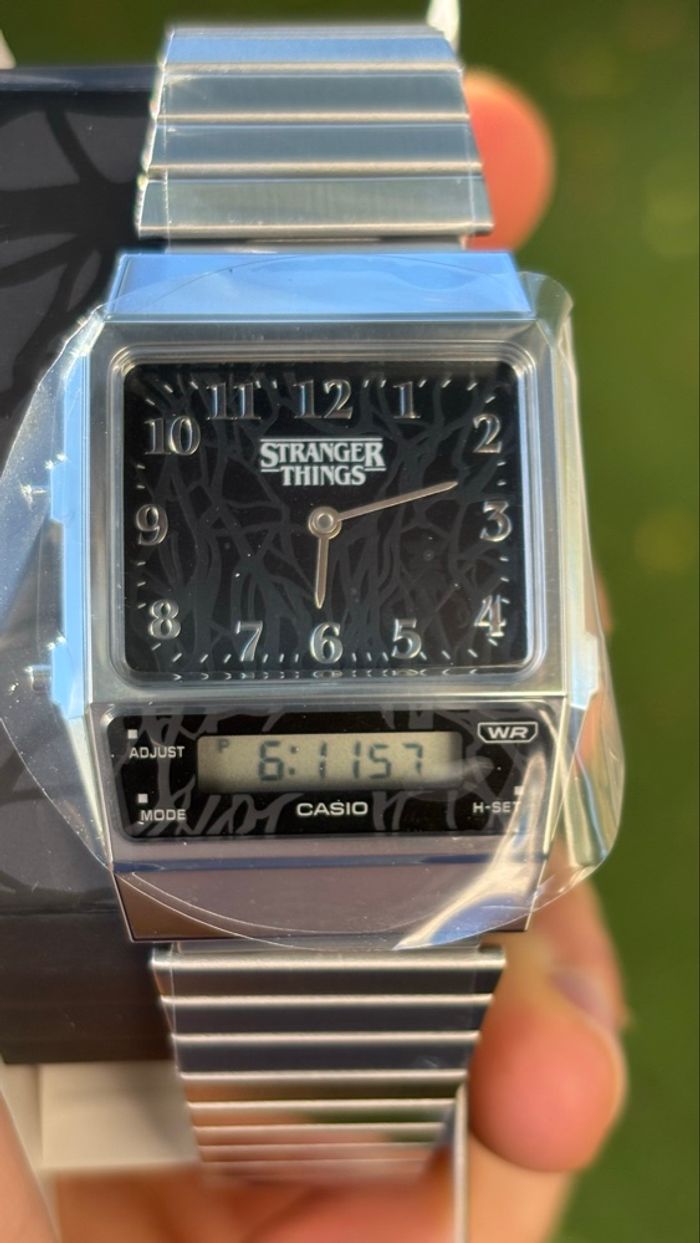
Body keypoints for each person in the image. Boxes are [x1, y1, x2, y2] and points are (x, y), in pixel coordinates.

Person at [0, 71, 628, 1243]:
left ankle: (319, 1124)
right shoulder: (127, 365)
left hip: (341, 816)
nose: (320, 524)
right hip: (255, 820)